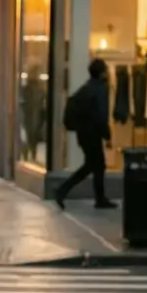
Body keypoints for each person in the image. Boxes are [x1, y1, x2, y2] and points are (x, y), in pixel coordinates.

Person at [54, 58, 116, 210]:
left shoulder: (86, 87)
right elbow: (102, 115)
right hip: (93, 133)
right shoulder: (101, 89)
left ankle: (67, 191)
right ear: (102, 73)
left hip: (83, 133)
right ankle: (65, 191)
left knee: (93, 165)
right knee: (95, 165)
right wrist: (107, 136)